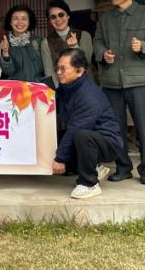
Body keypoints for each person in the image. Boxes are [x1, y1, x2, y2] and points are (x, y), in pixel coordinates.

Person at [93, 0, 145, 185]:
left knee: (143, 126)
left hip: (140, 81)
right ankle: (123, 167)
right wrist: (103, 54)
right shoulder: (106, 18)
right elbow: (98, 42)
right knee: (115, 127)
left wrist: (143, 46)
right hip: (112, 82)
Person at [52, 48, 123, 199]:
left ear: (79, 71)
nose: (58, 72)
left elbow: (75, 129)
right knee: (59, 138)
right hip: (88, 136)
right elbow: (51, 102)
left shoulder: (88, 96)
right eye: (57, 68)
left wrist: (60, 159)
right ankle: (95, 167)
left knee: (80, 135)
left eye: (63, 69)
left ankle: (89, 183)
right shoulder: (67, 87)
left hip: (108, 143)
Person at [41, 0, 94, 87]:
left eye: (61, 15)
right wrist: (58, 91)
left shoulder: (84, 35)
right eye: (53, 17)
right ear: (49, 20)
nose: (58, 19)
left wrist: (75, 47)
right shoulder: (46, 43)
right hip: (62, 88)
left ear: (68, 16)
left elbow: (87, 62)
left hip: (85, 86)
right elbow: (49, 73)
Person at [0, 4, 44, 82]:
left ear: (29, 22)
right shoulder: (5, 43)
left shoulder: (38, 41)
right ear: (10, 22)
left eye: (24, 18)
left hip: (36, 86)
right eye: (16, 18)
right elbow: (8, 72)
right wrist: (5, 52)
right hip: (15, 87)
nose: (20, 22)